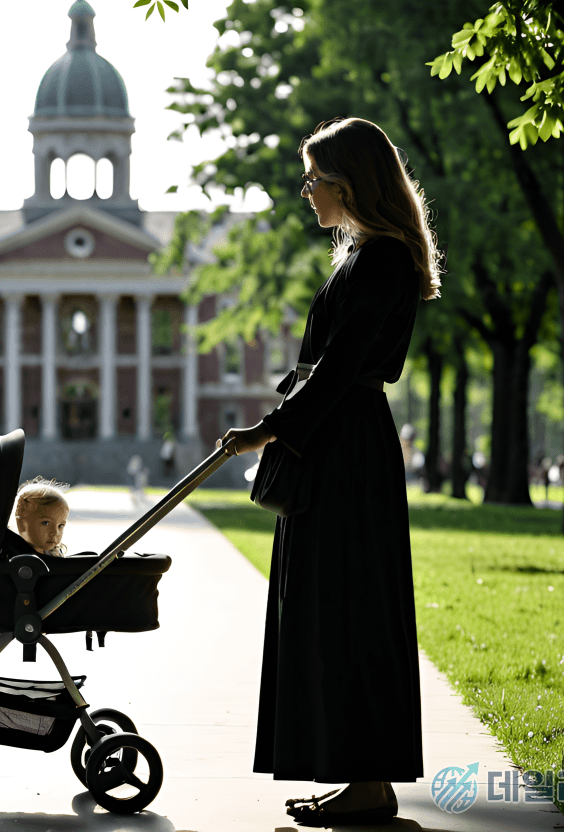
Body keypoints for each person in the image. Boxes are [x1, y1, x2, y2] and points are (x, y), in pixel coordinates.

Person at [219, 117, 441, 826]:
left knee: (349, 611)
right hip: (334, 444)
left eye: (316, 179)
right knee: (328, 612)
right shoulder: (364, 256)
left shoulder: (380, 261)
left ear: (351, 182)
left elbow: (343, 367)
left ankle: (369, 785)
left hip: (344, 452)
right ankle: (356, 778)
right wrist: (279, 417)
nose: (306, 191)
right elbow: (324, 365)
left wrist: (271, 428)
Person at [13, 476, 69, 557]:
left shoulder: (55, 553)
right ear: (21, 524)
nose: (55, 532)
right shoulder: (18, 557)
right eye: (46, 523)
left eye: (60, 525)